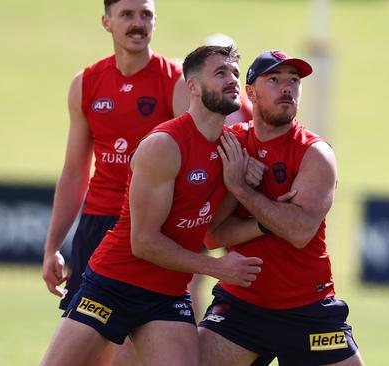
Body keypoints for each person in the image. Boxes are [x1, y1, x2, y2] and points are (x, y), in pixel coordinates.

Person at [40, 45, 264, 366]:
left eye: (234, 74)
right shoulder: (164, 145)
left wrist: (241, 186)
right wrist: (216, 268)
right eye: (220, 73)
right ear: (193, 87)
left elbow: (214, 233)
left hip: (167, 295)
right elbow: (143, 242)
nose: (231, 80)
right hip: (113, 284)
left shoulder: (233, 149)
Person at [41, 0, 188, 363]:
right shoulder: (86, 83)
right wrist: (53, 245)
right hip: (98, 227)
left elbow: (194, 159)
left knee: (129, 353)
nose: (137, 24)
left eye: (146, 15)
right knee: (91, 353)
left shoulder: (176, 83)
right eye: (127, 15)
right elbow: (75, 172)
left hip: (150, 230)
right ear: (107, 22)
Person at [198, 50, 364, 366]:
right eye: (274, 80)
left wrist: (241, 189)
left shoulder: (314, 153)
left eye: (294, 80)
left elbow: (299, 231)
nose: (287, 88)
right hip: (242, 304)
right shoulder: (230, 144)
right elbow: (213, 236)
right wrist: (268, 216)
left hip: (307, 306)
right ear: (250, 93)